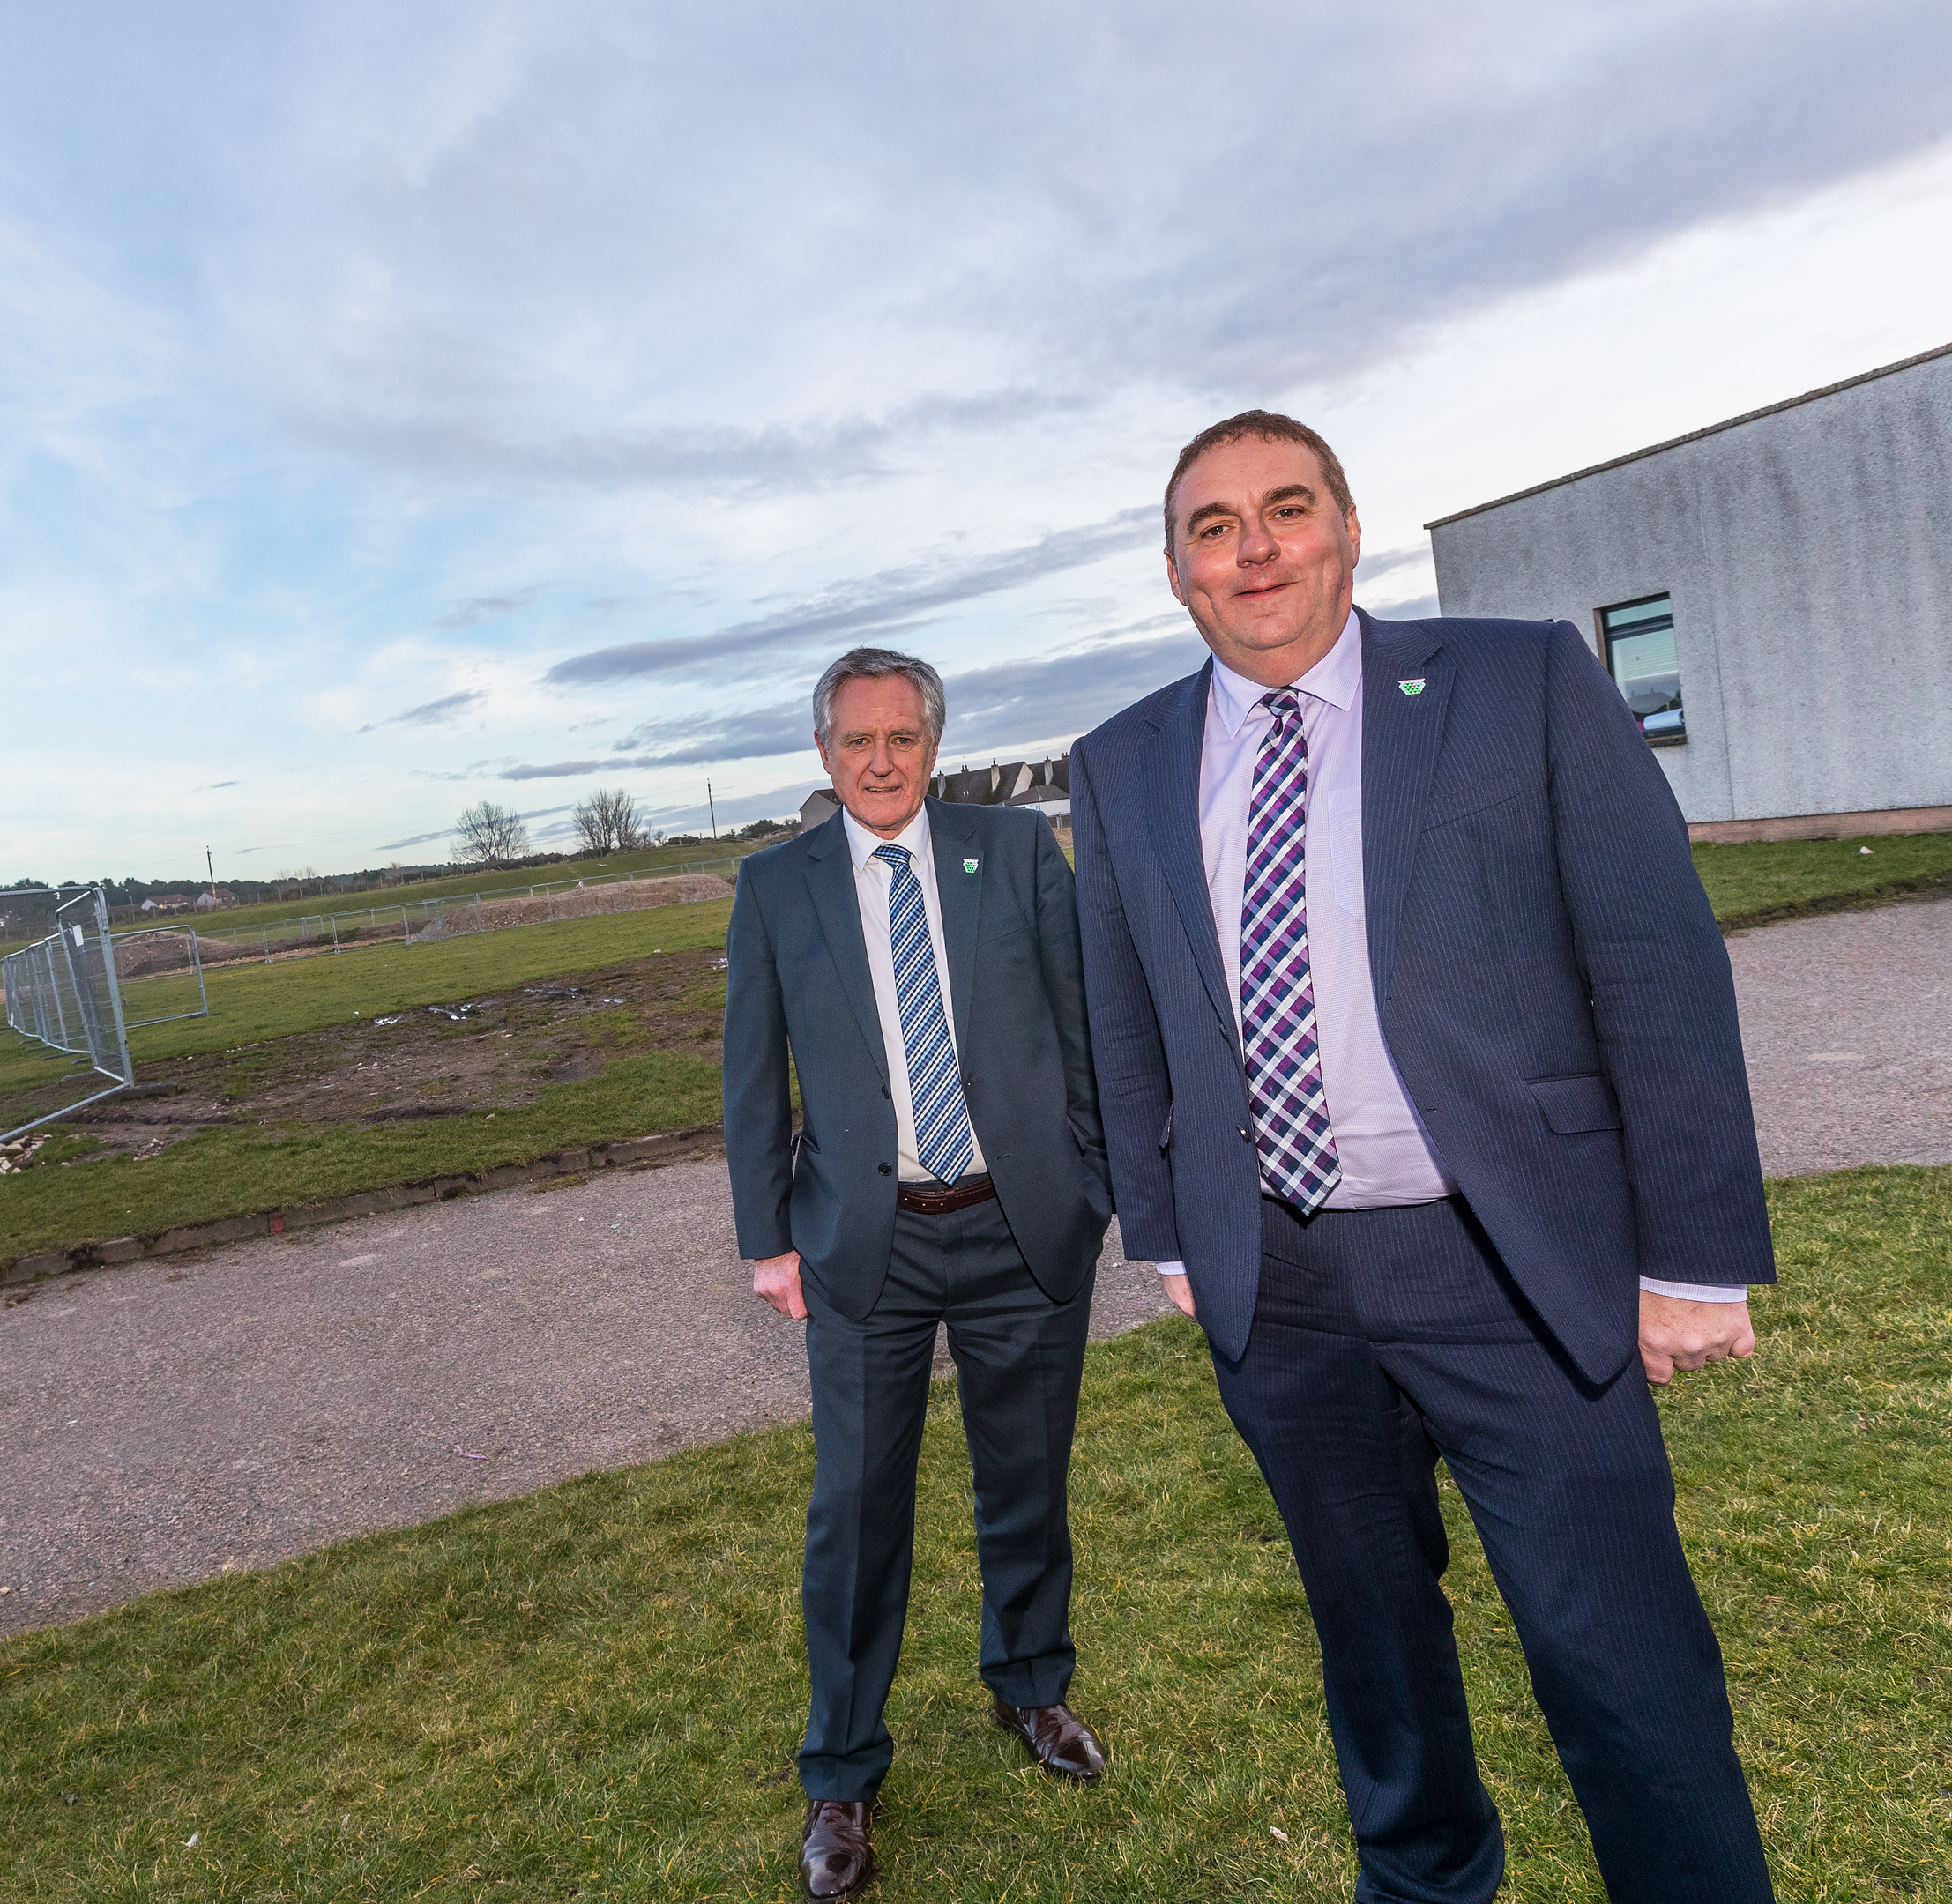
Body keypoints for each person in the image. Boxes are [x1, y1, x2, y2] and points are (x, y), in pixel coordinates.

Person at [1069, 410, 1776, 1902]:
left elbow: (1656, 961)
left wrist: (1695, 1254)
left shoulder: (1516, 684)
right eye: (1213, 524)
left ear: (1348, 528)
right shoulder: (1120, 761)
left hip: (1515, 1264)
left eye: (1286, 507)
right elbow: (1119, 1017)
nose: (1253, 546)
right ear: (1177, 571)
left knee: (1620, 1661)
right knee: (1374, 1654)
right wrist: (1175, 1234)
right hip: (1285, 1288)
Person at [724, 646, 1114, 1900]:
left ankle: (1033, 1689)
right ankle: (841, 1767)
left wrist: (1093, 1181)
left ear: (934, 744)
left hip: (1020, 1228)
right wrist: (765, 1236)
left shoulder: (1011, 855)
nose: (880, 761)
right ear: (825, 752)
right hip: (863, 1244)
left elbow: (1083, 1024)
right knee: (857, 1507)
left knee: (1027, 1474)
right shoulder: (776, 885)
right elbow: (750, 1077)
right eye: (856, 741)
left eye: (902, 738)